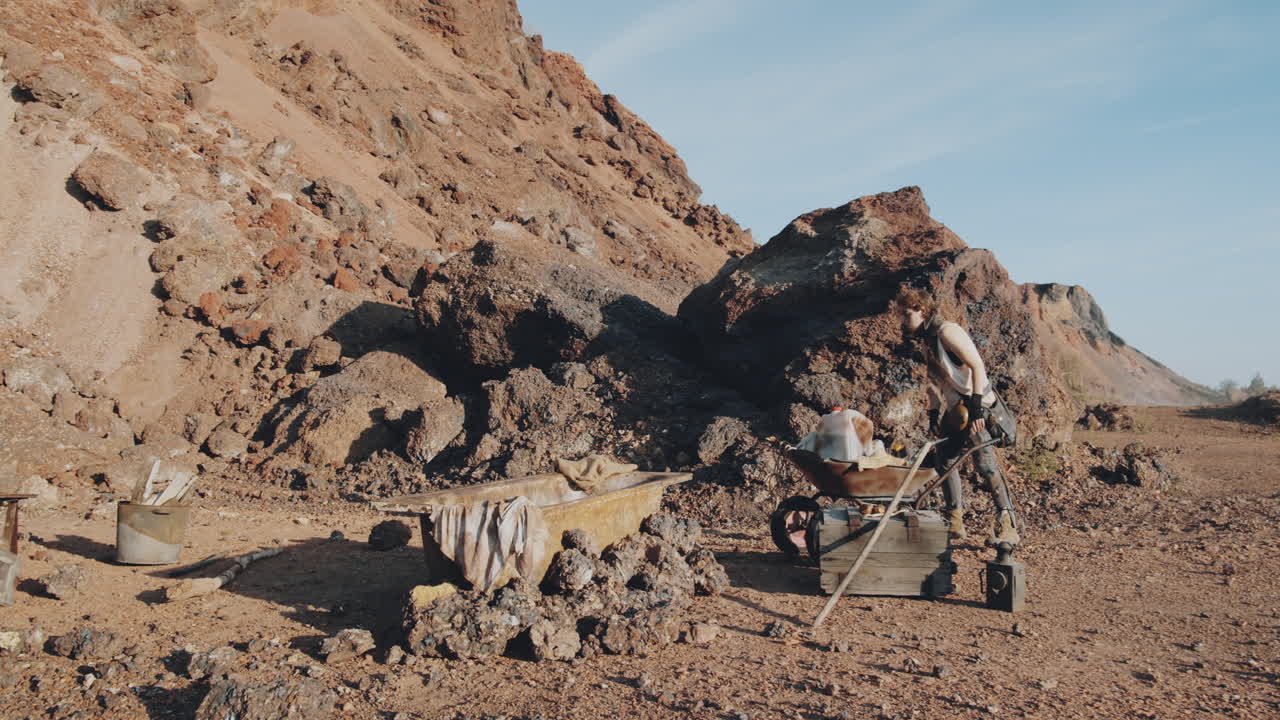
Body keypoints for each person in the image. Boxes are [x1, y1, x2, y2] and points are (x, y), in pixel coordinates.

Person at [896, 287, 1020, 544]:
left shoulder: (947, 331)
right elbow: (933, 382)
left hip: (977, 405)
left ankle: (1007, 525)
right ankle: (954, 522)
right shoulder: (927, 340)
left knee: (985, 465)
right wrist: (932, 415)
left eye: (906, 314)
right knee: (944, 461)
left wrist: (976, 409)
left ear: (922, 309)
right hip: (955, 409)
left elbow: (977, 365)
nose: (903, 320)